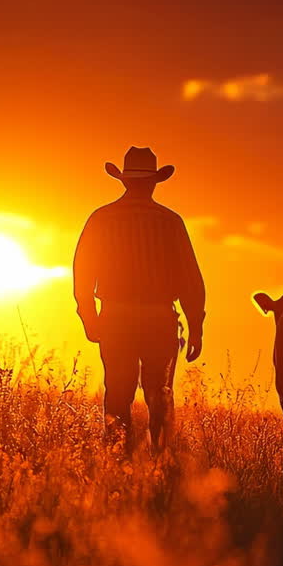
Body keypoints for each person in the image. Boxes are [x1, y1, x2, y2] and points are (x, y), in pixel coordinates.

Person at [73, 146, 205, 452]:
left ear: (123, 181)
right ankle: (160, 460)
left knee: (118, 391)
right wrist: (195, 324)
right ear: (155, 182)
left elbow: (83, 272)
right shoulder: (170, 221)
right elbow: (190, 278)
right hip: (160, 317)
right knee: (160, 393)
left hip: (116, 316)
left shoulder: (102, 218)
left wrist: (89, 316)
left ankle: (119, 460)